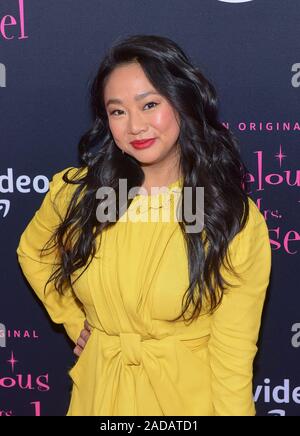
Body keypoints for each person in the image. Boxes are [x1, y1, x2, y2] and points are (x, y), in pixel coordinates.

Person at [16, 34, 272, 416]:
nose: (135, 126)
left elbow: (233, 357)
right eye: (117, 111)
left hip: (188, 401)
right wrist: (74, 320)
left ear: (183, 104)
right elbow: (33, 252)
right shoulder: (80, 195)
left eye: (149, 104)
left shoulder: (227, 215)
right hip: (99, 395)